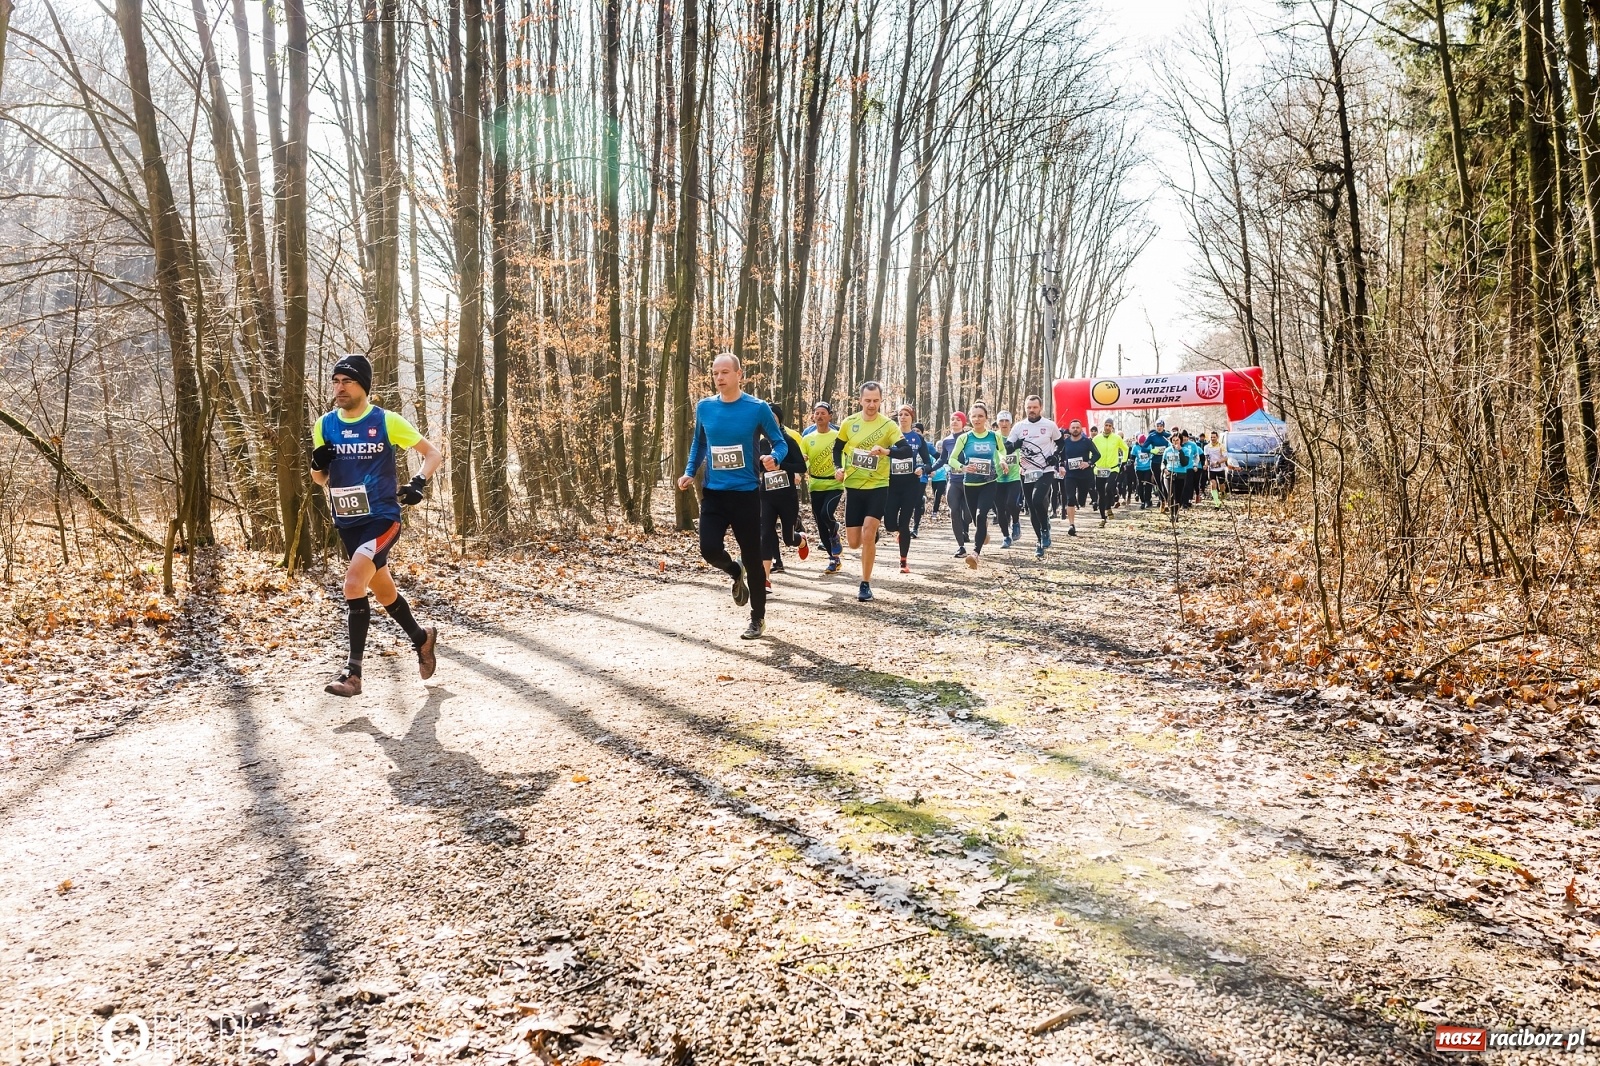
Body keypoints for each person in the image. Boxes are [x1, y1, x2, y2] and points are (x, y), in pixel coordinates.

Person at [311, 353, 443, 698]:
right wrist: (316, 464)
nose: (339, 388)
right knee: (382, 589)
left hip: (382, 518)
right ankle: (421, 638)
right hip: (347, 522)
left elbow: (433, 454)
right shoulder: (325, 424)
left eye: (346, 382)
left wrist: (418, 483)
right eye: (335, 381)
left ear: (363, 387)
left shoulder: (387, 421)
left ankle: (352, 674)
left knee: (354, 582)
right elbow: (320, 480)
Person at [678, 353, 787, 639]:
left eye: (725, 372)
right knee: (709, 549)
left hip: (746, 495)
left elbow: (780, 441)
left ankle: (757, 618)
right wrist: (690, 471)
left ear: (740, 374)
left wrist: (774, 457)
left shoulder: (757, 408)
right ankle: (733, 571)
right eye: (715, 373)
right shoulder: (705, 407)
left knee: (754, 558)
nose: (720, 378)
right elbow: (699, 443)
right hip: (714, 493)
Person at [831, 381, 910, 602]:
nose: (872, 405)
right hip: (854, 487)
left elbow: (905, 451)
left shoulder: (888, 426)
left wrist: (885, 451)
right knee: (854, 542)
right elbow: (837, 449)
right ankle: (857, 534)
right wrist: (839, 468)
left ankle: (865, 583)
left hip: (878, 487)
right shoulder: (849, 422)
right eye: (868, 400)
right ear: (860, 400)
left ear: (881, 400)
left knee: (868, 532)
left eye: (876, 401)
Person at [758, 403, 810, 589]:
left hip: (787, 496)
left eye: (773, 417)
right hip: (766, 495)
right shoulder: (761, 443)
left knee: (788, 539)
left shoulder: (788, 441)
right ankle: (765, 579)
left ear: (779, 420)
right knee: (765, 534)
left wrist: (781, 466)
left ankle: (801, 539)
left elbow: (802, 467)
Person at [1007, 394, 1064, 558]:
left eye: (1035, 407)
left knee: (1037, 499)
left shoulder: (1049, 425)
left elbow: (1061, 443)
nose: (1031, 410)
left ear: (1040, 408)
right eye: (1029, 408)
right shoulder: (1019, 427)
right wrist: (1015, 445)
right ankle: (1039, 541)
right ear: (1025, 408)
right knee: (1032, 508)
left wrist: (1056, 455)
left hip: (1045, 470)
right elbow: (1007, 447)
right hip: (1026, 472)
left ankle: (1045, 528)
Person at [951, 403, 1005, 569]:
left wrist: (1002, 460)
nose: (977, 419)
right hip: (970, 484)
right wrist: (963, 467)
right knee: (975, 520)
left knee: (981, 516)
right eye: (974, 416)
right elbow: (952, 459)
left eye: (980, 416)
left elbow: (1002, 451)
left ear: (986, 418)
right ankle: (983, 533)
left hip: (989, 482)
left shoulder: (994, 436)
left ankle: (975, 554)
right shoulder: (964, 438)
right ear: (970, 418)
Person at [885, 404, 933, 575]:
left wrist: (923, 469)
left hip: (911, 485)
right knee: (890, 524)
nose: (903, 417)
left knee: (904, 524)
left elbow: (929, 462)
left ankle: (903, 561)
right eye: (900, 414)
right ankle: (899, 533)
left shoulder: (917, 438)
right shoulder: (890, 435)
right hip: (891, 484)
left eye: (906, 414)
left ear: (912, 418)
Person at [802, 401, 844, 573]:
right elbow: (803, 463)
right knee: (820, 524)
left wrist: (843, 471)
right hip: (816, 484)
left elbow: (845, 456)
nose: (819, 416)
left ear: (830, 416)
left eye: (823, 413)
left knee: (826, 514)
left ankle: (834, 529)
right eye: (816, 413)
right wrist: (803, 462)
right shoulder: (807, 438)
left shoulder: (838, 436)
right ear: (813, 416)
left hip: (834, 483)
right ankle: (833, 559)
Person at [932, 412, 971, 557]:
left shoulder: (969, 438)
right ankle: (961, 547)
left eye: (958, 420)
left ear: (963, 423)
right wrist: (929, 468)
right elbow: (942, 460)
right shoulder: (946, 441)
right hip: (953, 480)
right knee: (953, 511)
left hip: (969, 481)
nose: (954, 422)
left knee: (968, 516)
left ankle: (974, 523)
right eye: (952, 419)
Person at [1059, 418, 1096, 536]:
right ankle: (1071, 525)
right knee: (1070, 499)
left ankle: (1080, 501)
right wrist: (1061, 466)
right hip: (1070, 475)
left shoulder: (1087, 441)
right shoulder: (1066, 442)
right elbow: (1059, 455)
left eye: (1077, 427)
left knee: (1081, 500)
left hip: (1084, 475)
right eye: (1073, 427)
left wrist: (1088, 463)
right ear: (1069, 429)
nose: (1075, 430)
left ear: (1081, 429)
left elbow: (1097, 454)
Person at [993, 411, 1024, 548]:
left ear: (1011, 423)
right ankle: (1006, 536)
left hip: (1014, 477)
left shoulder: (1016, 437)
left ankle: (1016, 522)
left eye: (1007, 421)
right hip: (997, 478)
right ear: (998, 423)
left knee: (1011, 503)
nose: (1004, 424)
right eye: (1001, 421)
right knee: (1000, 509)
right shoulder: (994, 438)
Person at [1093, 418, 1128, 527]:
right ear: (1103, 426)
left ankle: (1108, 506)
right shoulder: (1096, 439)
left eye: (1110, 426)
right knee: (1101, 494)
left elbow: (1126, 448)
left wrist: (1123, 462)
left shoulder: (1117, 438)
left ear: (1112, 427)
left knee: (1108, 488)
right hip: (1099, 469)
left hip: (1113, 469)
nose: (1107, 427)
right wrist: (1091, 462)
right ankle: (1103, 517)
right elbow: (1091, 451)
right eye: (1106, 425)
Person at [1164, 429, 1193, 512]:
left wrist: (1180, 451)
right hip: (1169, 474)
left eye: (1177, 440)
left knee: (1178, 497)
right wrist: (1164, 469)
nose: (1175, 442)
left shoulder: (1186, 450)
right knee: (1171, 495)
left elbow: (1185, 463)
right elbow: (1163, 462)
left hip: (1180, 475)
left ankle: (1176, 513)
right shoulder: (1167, 450)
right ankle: (1172, 513)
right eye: (1173, 440)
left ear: (1181, 440)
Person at [1146, 419, 1171, 504]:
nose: (1159, 428)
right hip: (1155, 462)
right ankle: (1162, 500)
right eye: (1158, 426)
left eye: (1161, 426)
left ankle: (1168, 499)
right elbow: (1143, 448)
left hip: (1166, 462)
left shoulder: (1168, 436)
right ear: (1155, 427)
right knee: (1158, 482)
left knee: (1165, 481)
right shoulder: (1152, 436)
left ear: (1163, 427)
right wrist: (1152, 451)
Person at [1132, 433, 1156, 509]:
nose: (1142, 444)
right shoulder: (1135, 447)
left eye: (1143, 442)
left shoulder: (1149, 446)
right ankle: (1142, 500)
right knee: (1141, 484)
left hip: (1148, 468)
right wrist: (1132, 461)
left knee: (1147, 484)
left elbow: (1152, 456)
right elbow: (1132, 457)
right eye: (1140, 443)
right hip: (1139, 469)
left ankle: (1147, 500)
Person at [1182, 430, 1206, 506]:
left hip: (1190, 467)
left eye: (1185, 437)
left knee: (1188, 485)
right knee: (1181, 485)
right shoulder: (1179, 444)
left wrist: (1195, 465)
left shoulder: (1193, 445)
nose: (1184, 439)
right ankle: (1181, 501)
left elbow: (1197, 456)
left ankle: (1187, 501)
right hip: (1180, 468)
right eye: (1183, 437)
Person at [1204, 430, 1228, 502]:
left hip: (1220, 469)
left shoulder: (1221, 446)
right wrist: (1205, 465)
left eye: (1214, 437)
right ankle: (1216, 502)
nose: (1212, 439)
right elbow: (1207, 458)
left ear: (1217, 437)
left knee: (1221, 487)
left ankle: (1223, 494)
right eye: (1211, 437)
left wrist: (1218, 462)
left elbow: (1226, 458)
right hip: (1211, 469)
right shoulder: (1207, 447)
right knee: (1213, 484)